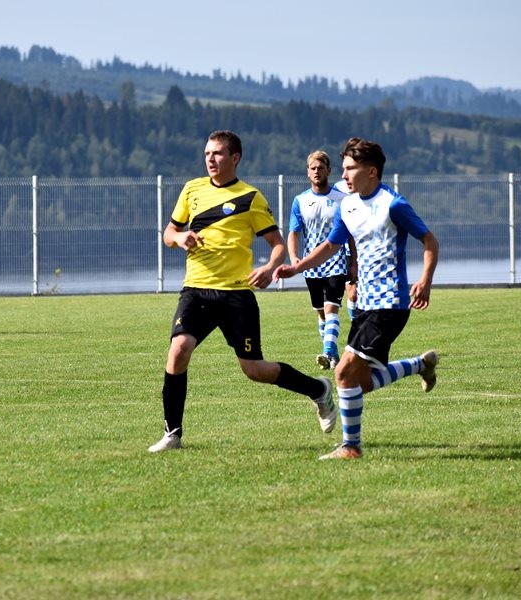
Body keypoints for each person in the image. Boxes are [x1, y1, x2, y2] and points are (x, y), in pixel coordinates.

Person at [148, 130, 336, 453]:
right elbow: (169, 232)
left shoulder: (250, 198)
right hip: (196, 290)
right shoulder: (192, 190)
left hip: (236, 296)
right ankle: (172, 434)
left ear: (235, 158)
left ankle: (318, 389)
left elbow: (277, 245)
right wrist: (179, 238)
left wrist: (269, 268)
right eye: (207, 153)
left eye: (218, 153)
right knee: (179, 350)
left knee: (255, 370)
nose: (210, 159)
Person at [275, 137, 440, 460]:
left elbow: (430, 241)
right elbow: (330, 246)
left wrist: (425, 281)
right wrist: (297, 267)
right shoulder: (348, 206)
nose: (344, 175)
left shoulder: (393, 204)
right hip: (364, 304)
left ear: (372, 172)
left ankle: (351, 447)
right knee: (358, 382)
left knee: (342, 373)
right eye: (344, 168)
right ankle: (421, 365)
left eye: (351, 168)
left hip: (389, 303)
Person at [287, 150, 355, 370]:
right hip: (311, 265)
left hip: (336, 262)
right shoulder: (300, 201)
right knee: (321, 312)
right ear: (308, 172)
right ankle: (333, 354)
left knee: (331, 308)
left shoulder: (342, 200)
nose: (317, 171)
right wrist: (295, 258)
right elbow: (294, 232)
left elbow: (351, 235)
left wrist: (354, 262)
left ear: (329, 171)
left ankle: (326, 351)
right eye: (313, 168)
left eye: (321, 168)